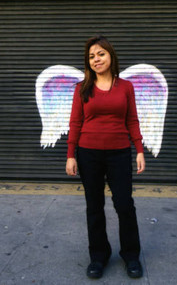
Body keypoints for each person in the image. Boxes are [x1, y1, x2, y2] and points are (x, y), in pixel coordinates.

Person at [66, 35, 145, 279]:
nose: (96, 59)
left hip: (119, 153)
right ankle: (98, 256)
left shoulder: (126, 87)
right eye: (91, 56)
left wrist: (139, 149)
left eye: (100, 54)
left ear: (111, 56)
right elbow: (75, 122)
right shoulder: (82, 88)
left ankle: (131, 255)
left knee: (124, 205)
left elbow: (131, 119)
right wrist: (71, 155)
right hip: (88, 153)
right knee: (94, 206)